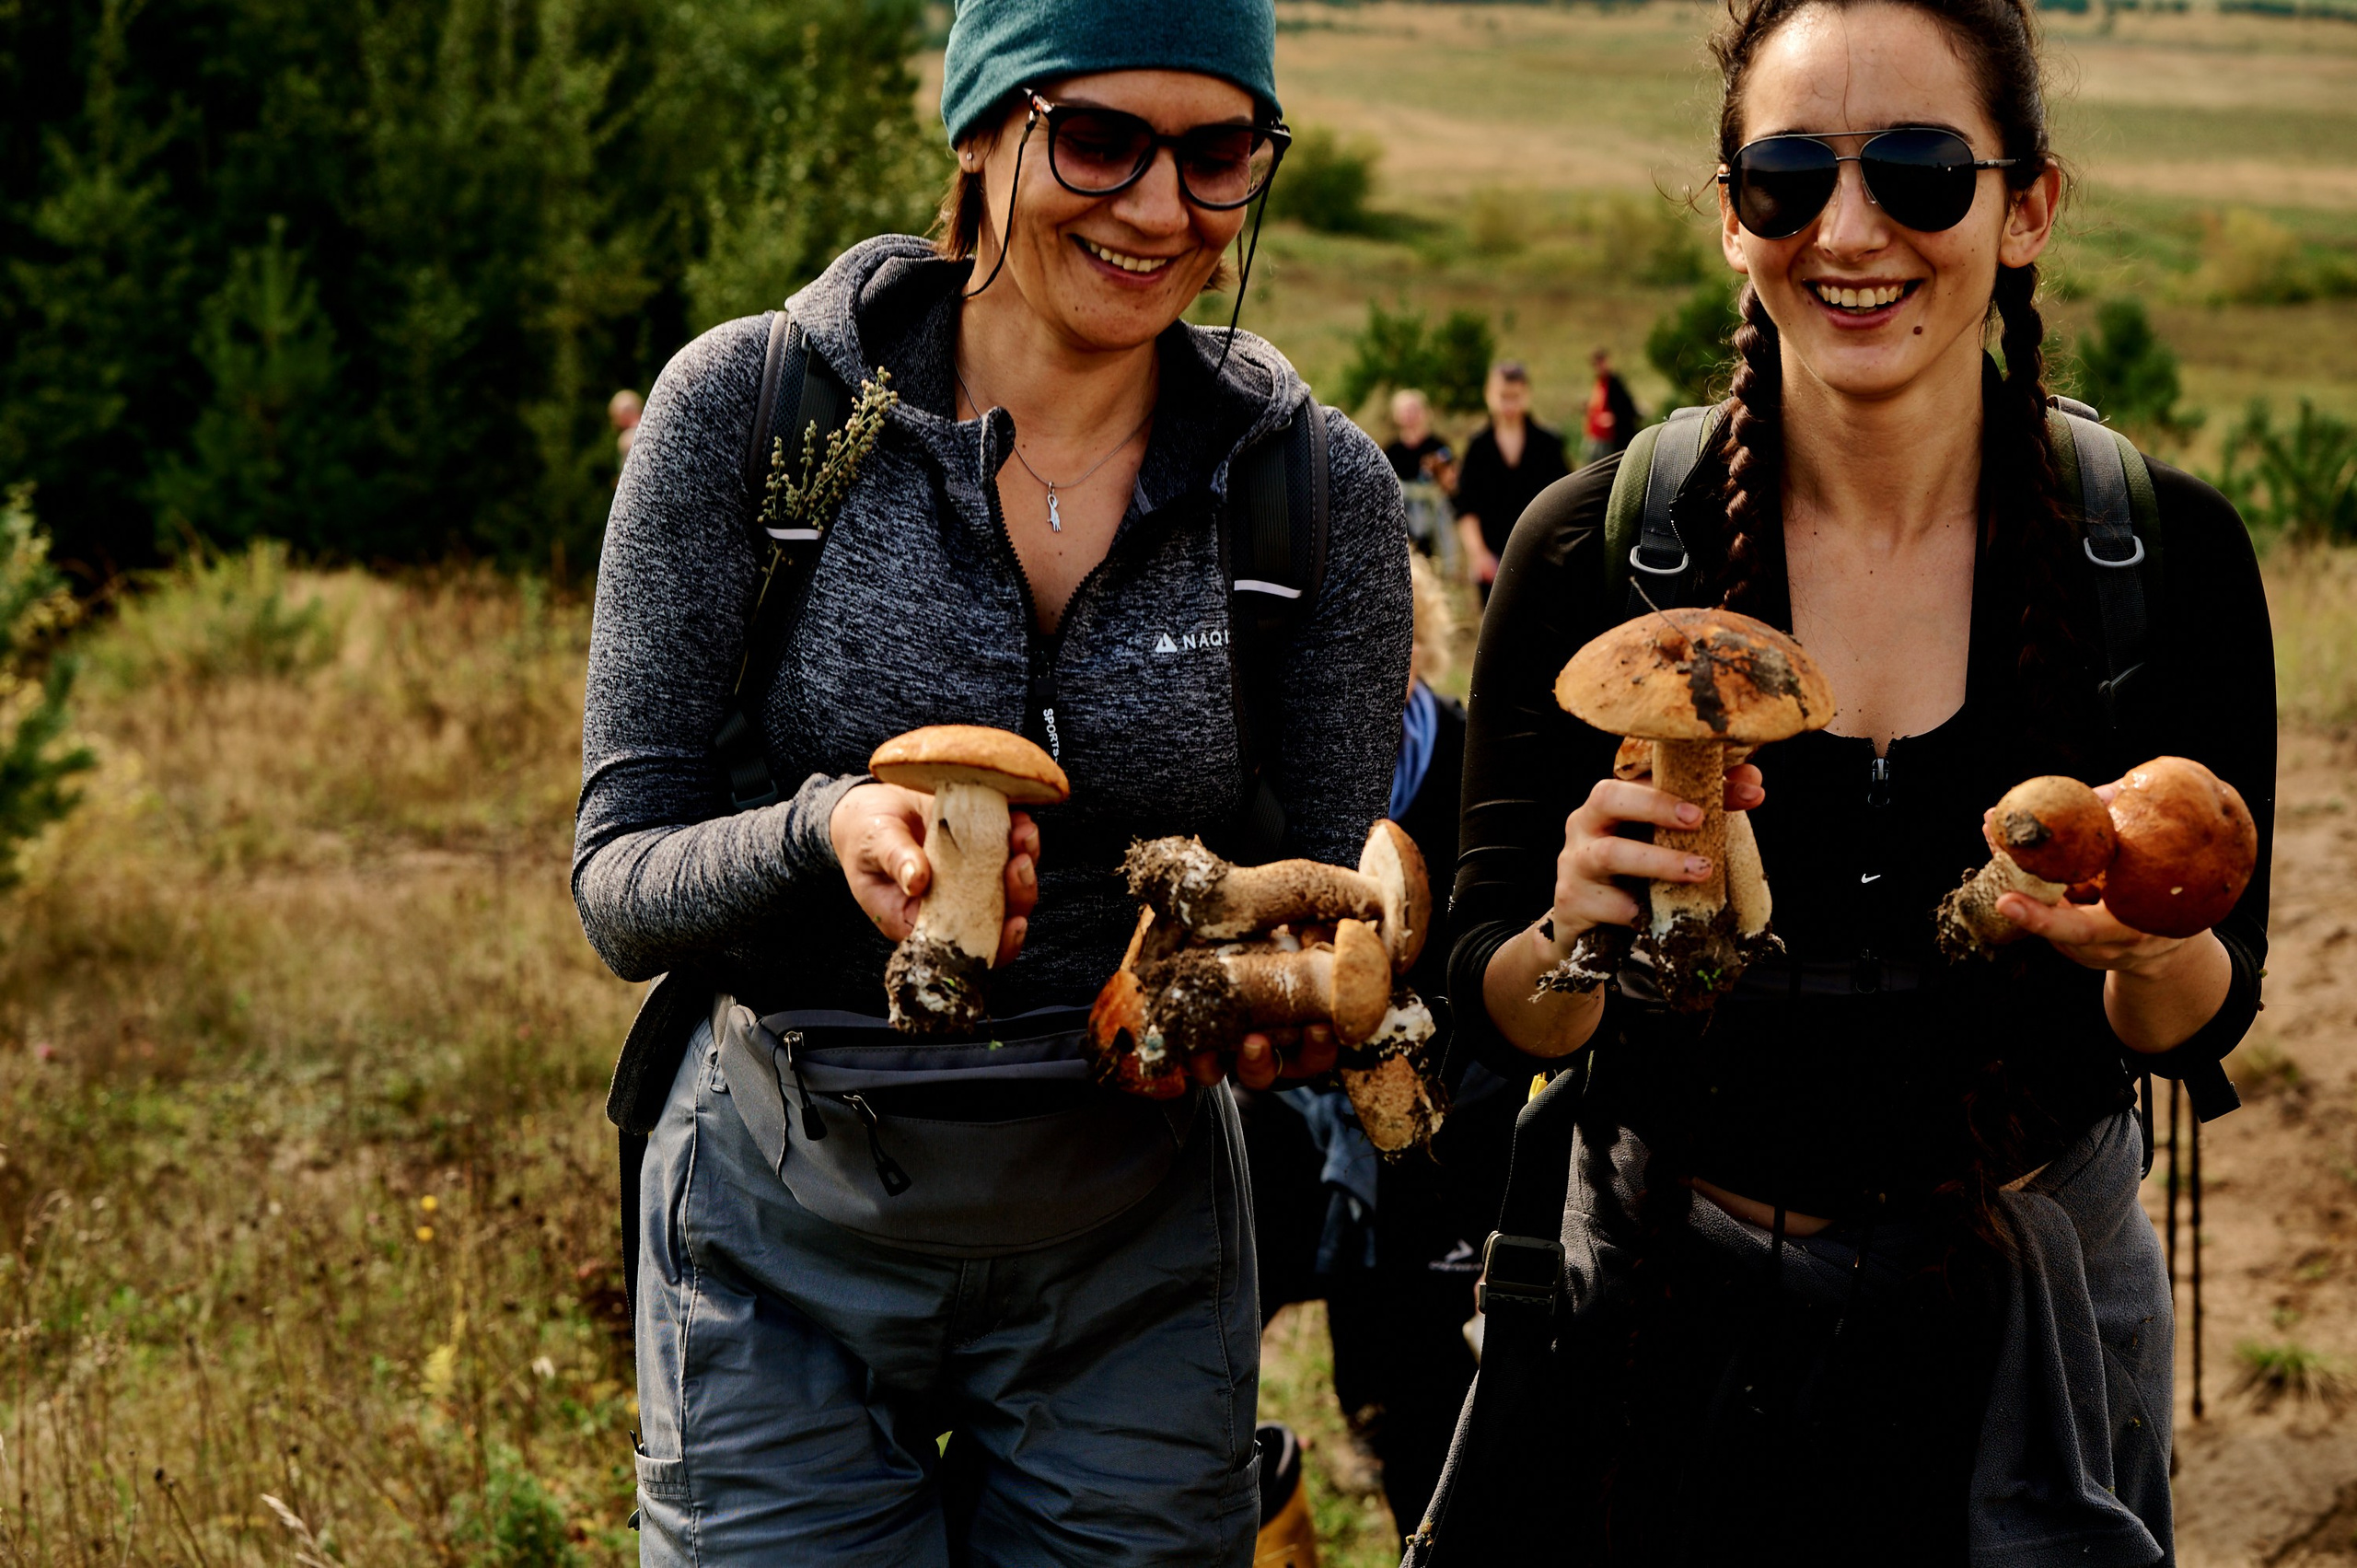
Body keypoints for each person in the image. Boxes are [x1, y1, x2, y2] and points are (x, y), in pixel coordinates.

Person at [574, 2, 1411, 1562]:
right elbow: (619, 879)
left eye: (1219, 151)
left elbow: (1319, 889)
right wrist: (823, 829)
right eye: (1098, 139)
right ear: (979, 131)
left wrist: (1275, 1003)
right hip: (775, 1229)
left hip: (1137, 1246)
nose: (1161, 210)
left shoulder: (1313, 495)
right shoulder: (759, 421)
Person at [1440, 0, 2273, 1560]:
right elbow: (1499, 997)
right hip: (1665, 1312)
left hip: (2034, 1313)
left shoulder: (2164, 556)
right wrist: (1575, 929)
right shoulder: (1598, 549)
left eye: (1918, 172)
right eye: (1784, 177)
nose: (1848, 229)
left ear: (2027, 209)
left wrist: (2151, 942)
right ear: (1728, 215)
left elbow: (2207, 1014)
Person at [1238, 554, 1517, 1546]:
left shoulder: (1478, 762)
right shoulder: (1258, 774)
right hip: (1294, 1112)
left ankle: (1407, 1474)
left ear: (1416, 649)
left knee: (1429, 1361)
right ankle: (1307, 1460)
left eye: (1374, 645)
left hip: (1452, 1116)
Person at [1451, 361, 1569, 602]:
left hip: (1542, 559)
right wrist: (1479, 554)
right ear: (1488, 395)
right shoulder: (1478, 447)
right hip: (1493, 564)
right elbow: (1466, 506)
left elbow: (1567, 502)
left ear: (1527, 395)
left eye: (1516, 396)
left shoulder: (1548, 444)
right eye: (1503, 396)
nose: (1509, 404)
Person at [1386, 389, 1458, 568]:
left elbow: (1452, 484)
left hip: (1436, 523)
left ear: (1425, 413)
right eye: (1406, 410)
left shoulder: (1438, 446)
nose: (1411, 415)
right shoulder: (1391, 451)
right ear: (1397, 415)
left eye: (1414, 409)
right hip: (1405, 524)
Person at [1578, 348, 1641, 467]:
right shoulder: (1600, 383)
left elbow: (1626, 409)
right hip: (1596, 435)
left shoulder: (1615, 383)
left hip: (1611, 438)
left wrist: (1613, 418)